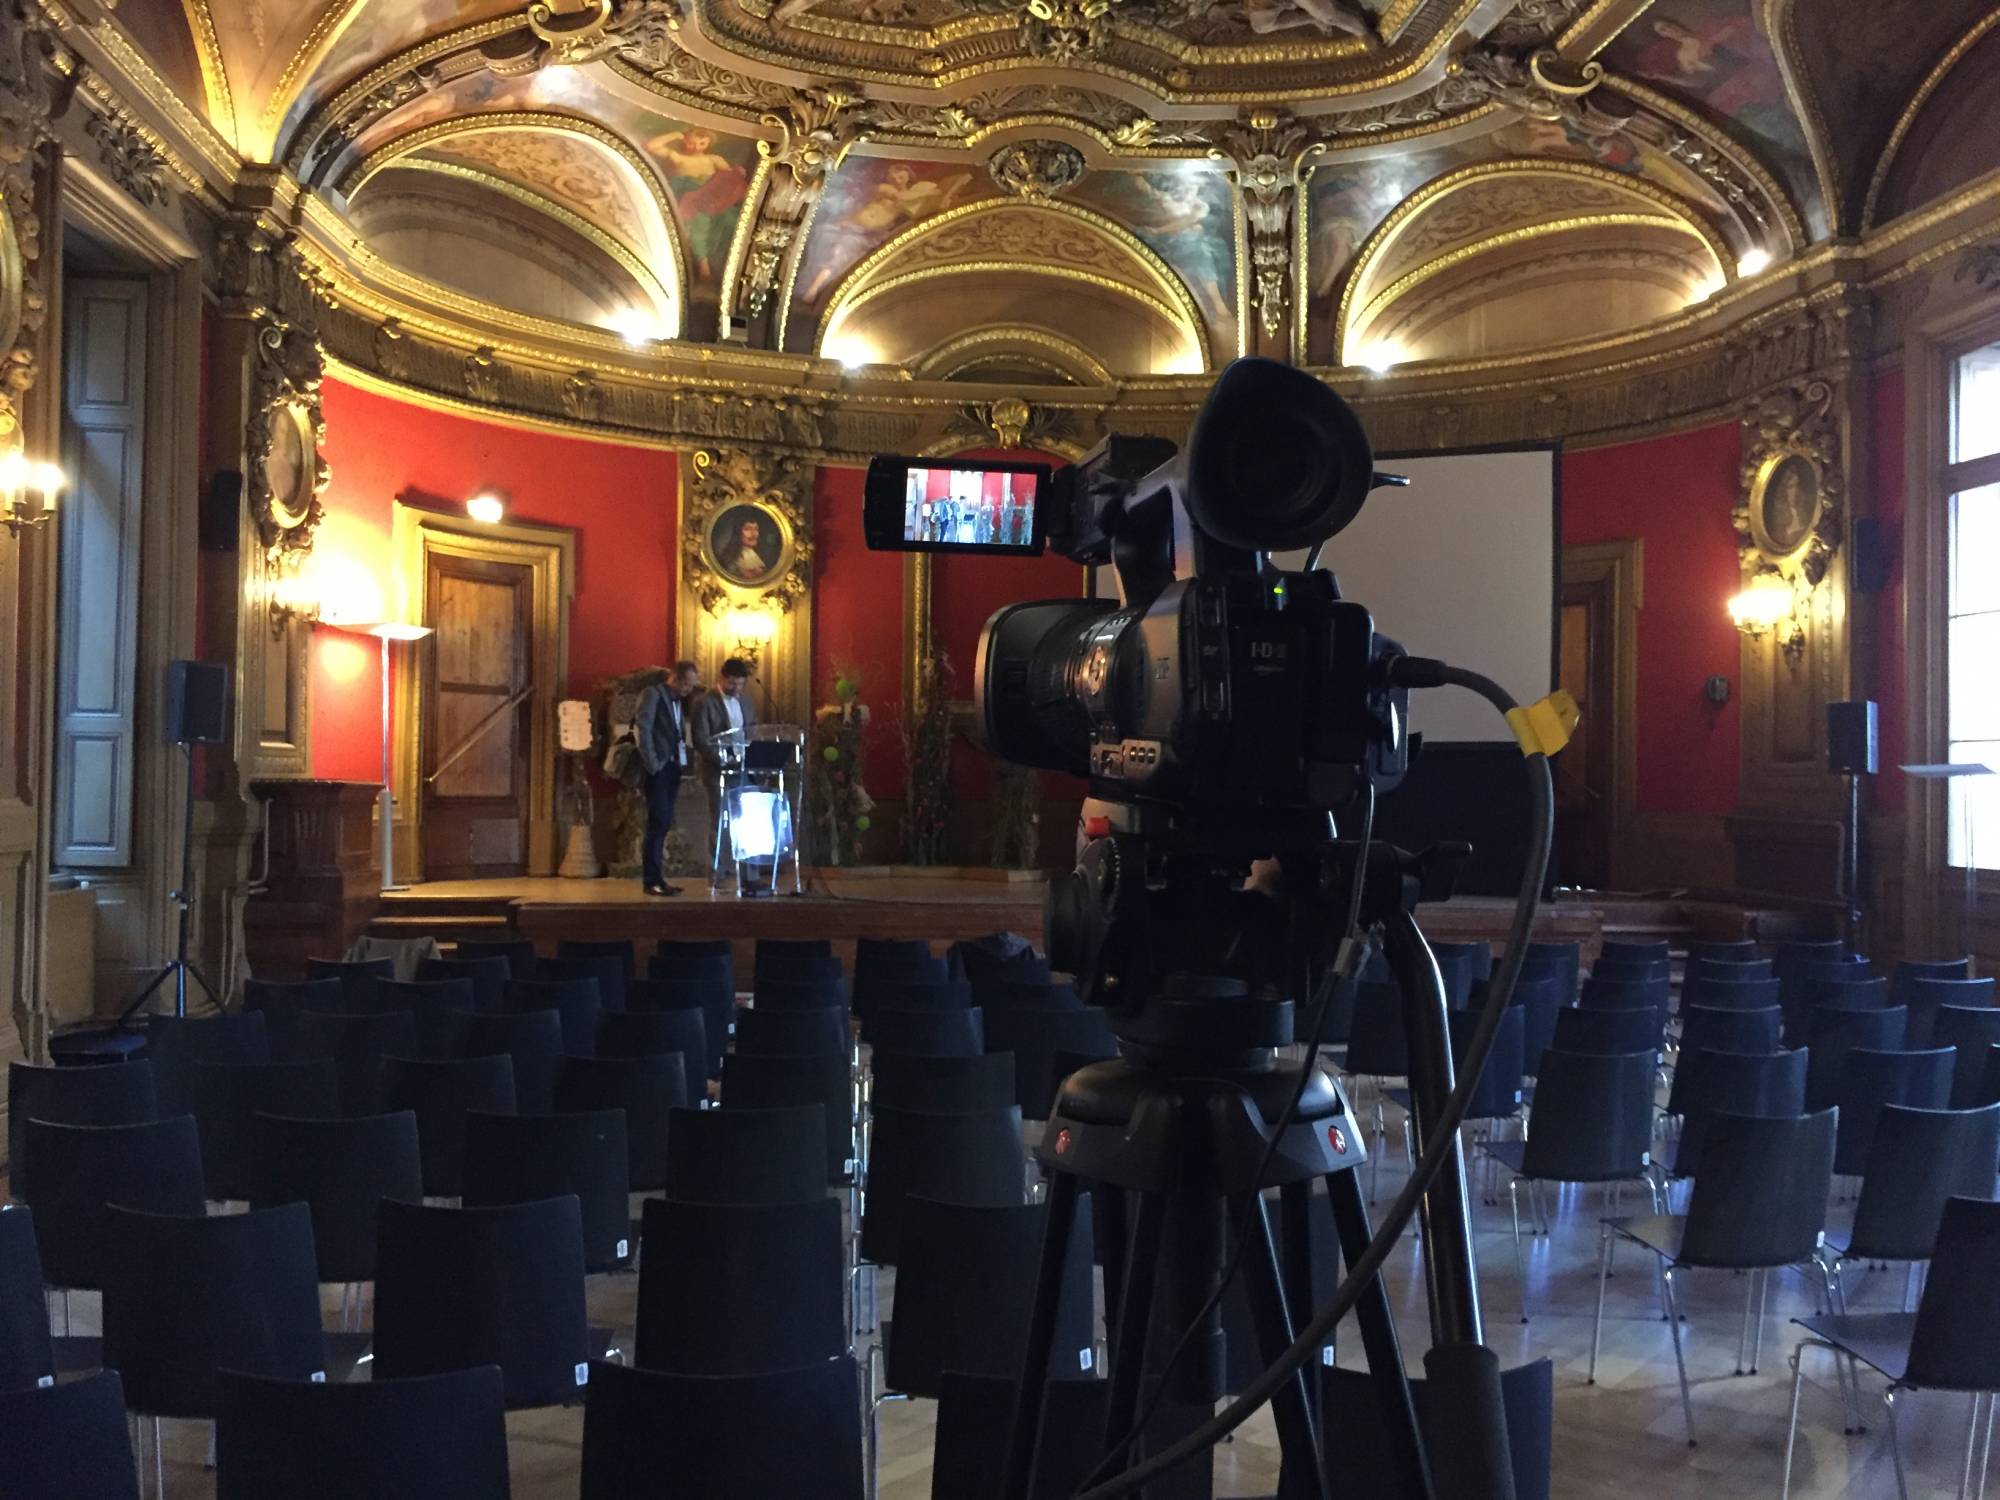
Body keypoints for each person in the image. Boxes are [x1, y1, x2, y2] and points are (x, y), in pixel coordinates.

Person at [634, 660, 701, 896]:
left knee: (664, 823)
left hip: (673, 767)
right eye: (686, 684)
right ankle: (651, 879)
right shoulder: (653, 695)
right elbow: (643, 729)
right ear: (674, 678)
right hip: (659, 768)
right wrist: (653, 764)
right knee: (658, 822)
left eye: (691, 685)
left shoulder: (677, 702)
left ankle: (659, 880)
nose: (688, 690)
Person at [692, 657, 760, 868]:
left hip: (745, 768)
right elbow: (701, 739)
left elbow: (753, 729)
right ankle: (717, 872)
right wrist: (723, 759)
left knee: (747, 822)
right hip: (717, 770)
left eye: (740, 684)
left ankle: (749, 872)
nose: (736, 688)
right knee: (719, 821)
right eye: (732, 683)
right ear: (720, 678)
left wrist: (752, 752)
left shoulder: (746, 701)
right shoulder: (704, 702)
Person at [718, 514, 777, 582]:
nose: (753, 533)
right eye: (747, 529)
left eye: (756, 529)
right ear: (738, 532)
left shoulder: (756, 555)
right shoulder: (729, 558)